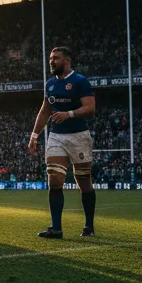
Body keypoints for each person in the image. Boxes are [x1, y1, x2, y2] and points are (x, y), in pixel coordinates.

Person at [27, 46, 97, 238]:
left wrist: (69, 114)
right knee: (55, 180)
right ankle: (56, 228)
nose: (51, 61)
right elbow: (44, 111)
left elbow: (90, 108)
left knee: (83, 181)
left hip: (78, 136)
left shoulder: (80, 81)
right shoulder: (50, 84)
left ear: (67, 60)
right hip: (56, 137)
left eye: (56, 58)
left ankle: (89, 226)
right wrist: (34, 135)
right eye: (50, 58)